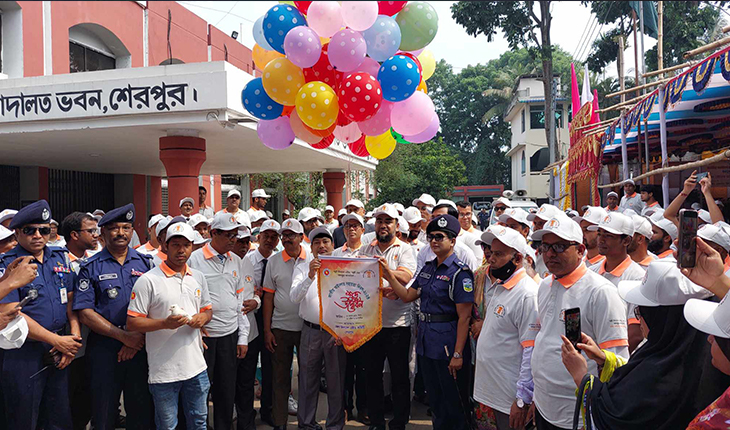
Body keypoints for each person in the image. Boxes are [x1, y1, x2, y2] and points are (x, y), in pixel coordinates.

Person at [560, 259, 712, 430]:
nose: (638, 320)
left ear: (660, 319)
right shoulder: (694, 355)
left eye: (640, 312)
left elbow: (610, 418)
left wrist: (581, 377)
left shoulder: (659, 376)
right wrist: (604, 359)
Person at [530, 213, 629, 430]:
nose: (549, 254)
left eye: (559, 247)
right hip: (544, 406)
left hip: (577, 414)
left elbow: (618, 360)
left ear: (581, 250)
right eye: (545, 247)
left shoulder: (601, 292)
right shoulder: (545, 285)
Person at [382, 214, 473, 430]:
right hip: (427, 342)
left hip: (448, 344)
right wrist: (388, 274)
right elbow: (406, 296)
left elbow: (465, 317)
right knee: (436, 400)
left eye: (440, 237)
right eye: (431, 237)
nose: (434, 241)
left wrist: (458, 353)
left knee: (454, 403)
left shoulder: (460, 273)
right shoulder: (428, 268)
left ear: (453, 241)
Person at [0, 200, 82, 430]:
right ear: (17, 233)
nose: (38, 235)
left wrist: (73, 341)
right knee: (23, 418)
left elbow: (72, 300)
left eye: (44, 230)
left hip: (60, 349)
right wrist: (57, 341)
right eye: (30, 230)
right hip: (24, 352)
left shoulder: (59, 258)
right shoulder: (9, 264)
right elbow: (10, 312)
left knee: (59, 418)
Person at [73, 204, 155, 430]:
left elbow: (156, 306)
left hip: (140, 346)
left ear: (132, 231)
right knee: (104, 412)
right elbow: (85, 313)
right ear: (103, 233)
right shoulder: (90, 267)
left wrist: (135, 338)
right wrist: (123, 337)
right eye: (114, 228)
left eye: (126, 227)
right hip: (105, 349)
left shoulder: (146, 264)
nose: (121, 233)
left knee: (141, 411)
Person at [126, 222, 213, 430]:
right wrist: (164, 323)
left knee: (199, 422)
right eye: (175, 244)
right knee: (167, 425)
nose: (181, 250)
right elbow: (132, 322)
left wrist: (203, 318)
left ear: (192, 247)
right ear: (165, 246)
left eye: (186, 245)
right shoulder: (148, 280)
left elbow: (207, 309)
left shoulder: (198, 277)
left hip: (196, 367)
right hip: (163, 371)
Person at [188, 212, 251, 430]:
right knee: (200, 391)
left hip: (229, 336)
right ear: (213, 233)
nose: (233, 240)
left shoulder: (236, 261)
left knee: (226, 391)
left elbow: (239, 301)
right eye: (228, 235)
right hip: (204, 338)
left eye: (235, 235)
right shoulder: (195, 259)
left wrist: (243, 337)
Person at [472, 225, 539, 430]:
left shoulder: (527, 294)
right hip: (490, 394)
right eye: (491, 252)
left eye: (498, 254)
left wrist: (522, 399)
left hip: (508, 398)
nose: (490, 259)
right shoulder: (502, 285)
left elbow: (531, 350)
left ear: (517, 258)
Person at [359, 203, 417, 430]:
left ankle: (399, 422)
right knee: (372, 376)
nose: (383, 226)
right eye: (380, 221)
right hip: (371, 324)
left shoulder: (404, 249)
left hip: (398, 325)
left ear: (396, 225)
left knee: (399, 377)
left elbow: (406, 275)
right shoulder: (366, 249)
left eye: (388, 221)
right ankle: (376, 421)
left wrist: (386, 272)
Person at [290, 226, 347, 429]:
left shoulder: (343, 265)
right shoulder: (302, 266)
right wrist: (310, 276)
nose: (321, 246)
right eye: (316, 242)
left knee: (336, 380)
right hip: (310, 330)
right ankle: (306, 423)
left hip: (336, 331)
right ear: (311, 246)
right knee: (307, 379)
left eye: (326, 242)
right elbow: (294, 297)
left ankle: (334, 424)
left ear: (333, 245)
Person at [263, 218, 309, 430]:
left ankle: (306, 421)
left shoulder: (311, 257)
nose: (287, 239)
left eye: (292, 235)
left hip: (307, 327)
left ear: (301, 237)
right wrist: (267, 329)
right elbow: (268, 298)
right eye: (285, 235)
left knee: (307, 378)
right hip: (280, 327)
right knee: (279, 378)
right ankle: (280, 422)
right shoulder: (273, 261)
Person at [237, 220, 279, 430]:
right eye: (266, 236)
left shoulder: (280, 260)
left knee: (271, 369)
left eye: (274, 237)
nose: (270, 240)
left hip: (273, 318)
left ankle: (268, 410)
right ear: (258, 237)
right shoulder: (247, 259)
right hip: (251, 319)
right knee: (248, 370)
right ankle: (245, 414)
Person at [60, 211, 100, 430]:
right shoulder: (58, 261)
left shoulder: (94, 261)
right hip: (69, 344)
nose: (96, 235)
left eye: (96, 230)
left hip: (92, 342)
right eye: (91, 231)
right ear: (74, 235)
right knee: (67, 401)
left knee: (87, 399)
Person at [588, 212, 646, 352]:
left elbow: (635, 331)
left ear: (626, 241)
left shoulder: (637, 277)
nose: (601, 240)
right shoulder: (591, 271)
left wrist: (609, 361)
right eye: (600, 233)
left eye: (608, 236)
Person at [416, 204, 479, 274]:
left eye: (439, 217)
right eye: (433, 217)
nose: (435, 221)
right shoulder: (424, 251)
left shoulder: (464, 253)